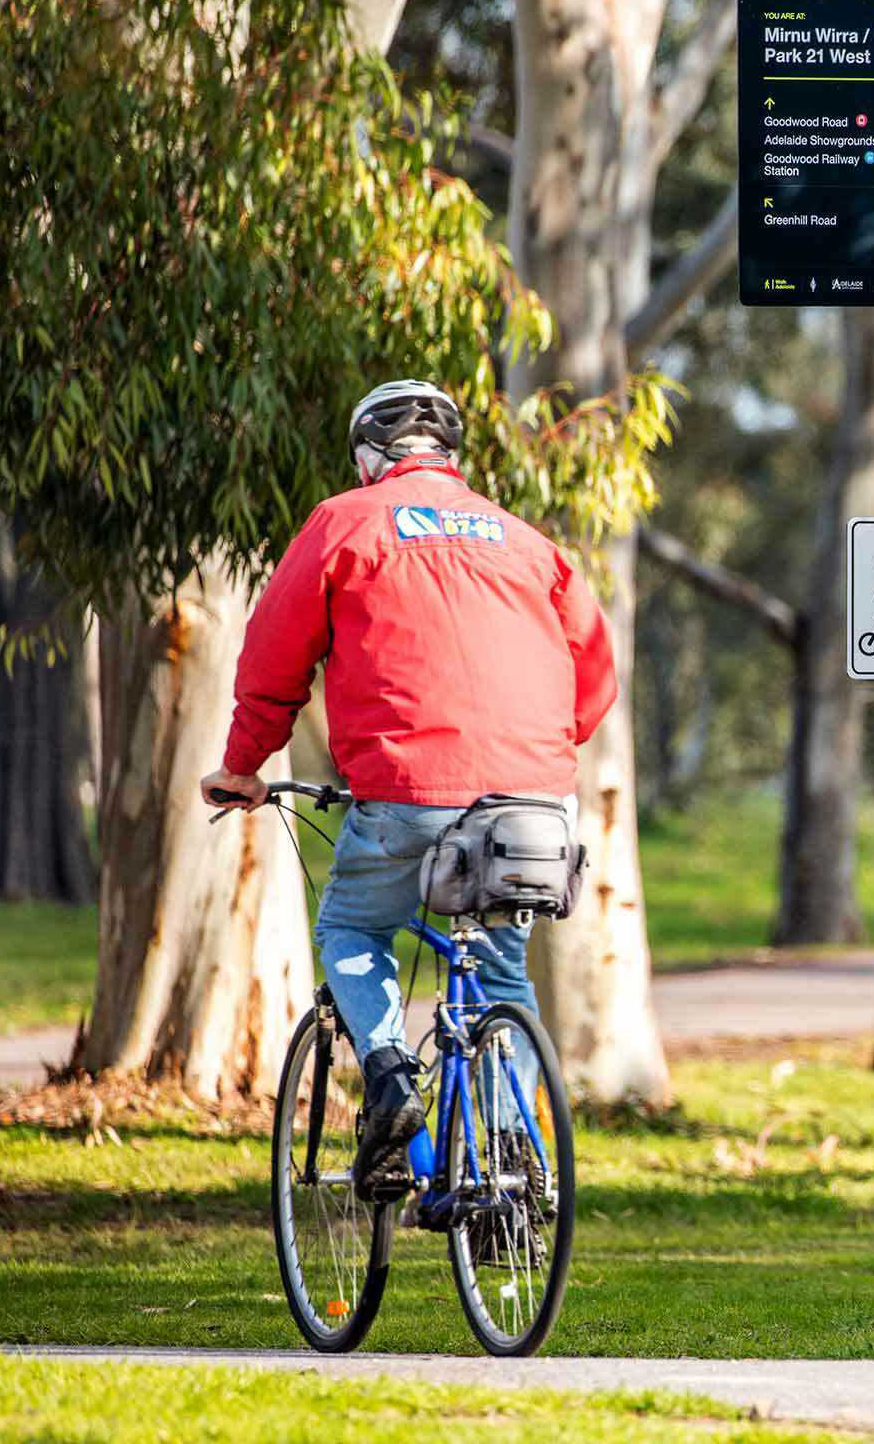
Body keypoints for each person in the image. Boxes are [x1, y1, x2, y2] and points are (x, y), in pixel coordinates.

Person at [202, 380, 617, 1190]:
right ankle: (510, 1173)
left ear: (367, 458)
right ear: (451, 458)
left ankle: (391, 1076)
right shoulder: (524, 539)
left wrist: (245, 766)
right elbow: (595, 674)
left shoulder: (344, 522)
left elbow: (273, 661)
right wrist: (533, 752)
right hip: (535, 809)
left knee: (354, 931)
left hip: (408, 792)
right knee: (501, 971)